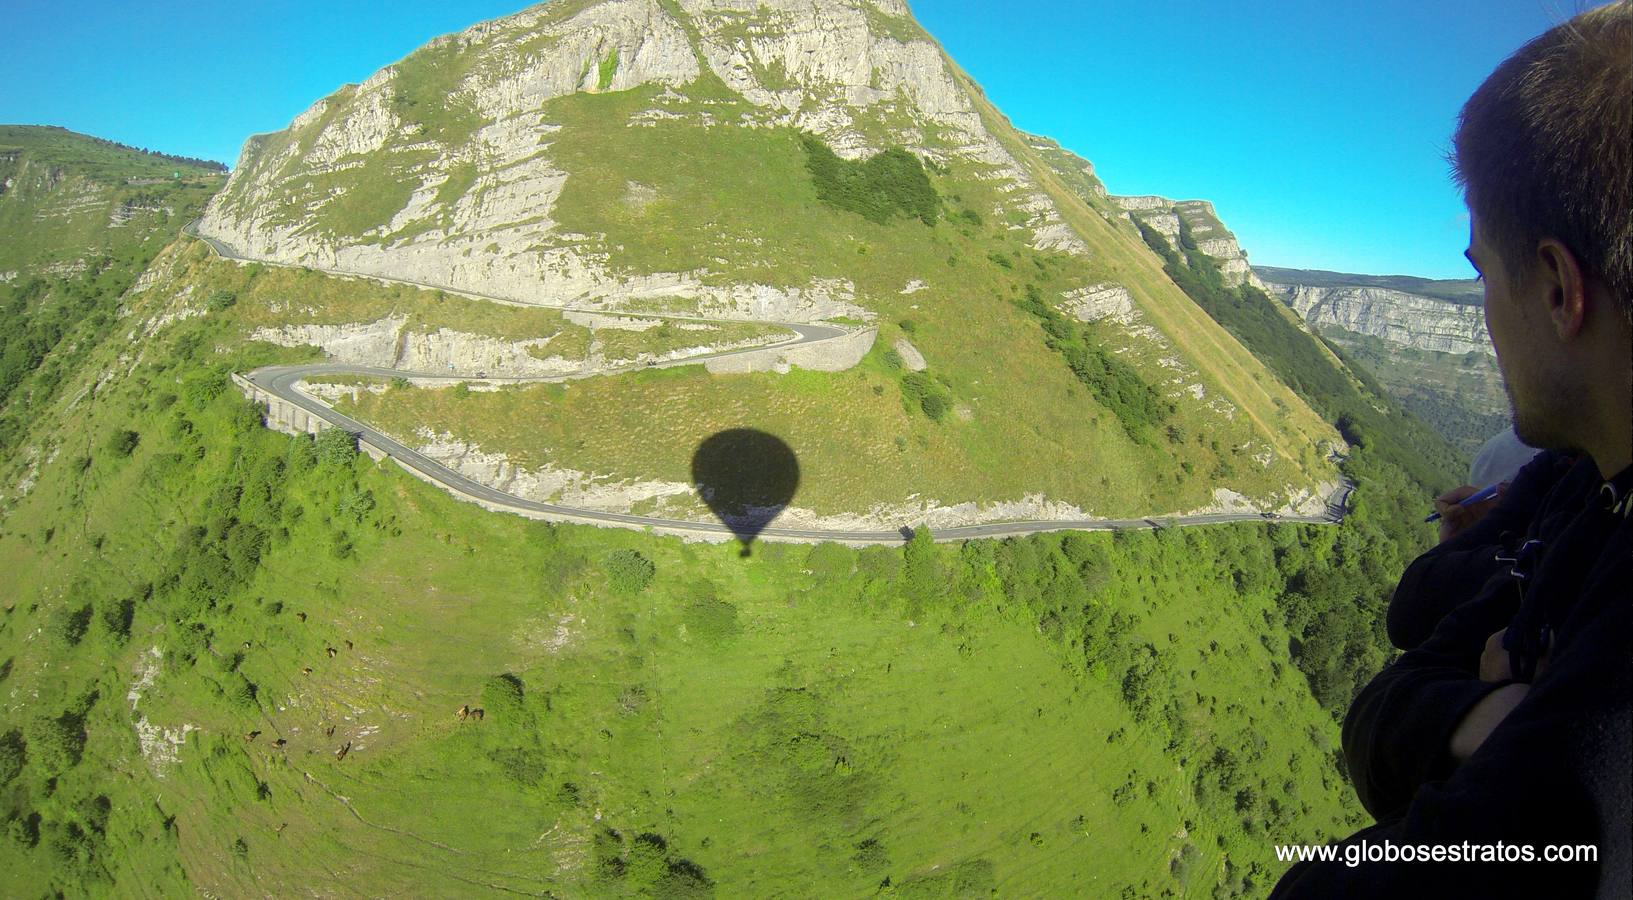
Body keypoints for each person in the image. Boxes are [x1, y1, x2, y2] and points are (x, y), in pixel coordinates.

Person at [1272, 3, 1631, 895]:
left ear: (1556, 289)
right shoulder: (1578, 477)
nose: (1483, 321)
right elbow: (1397, 673)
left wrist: (1474, 708)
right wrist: (1478, 715)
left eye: (1481, 274)